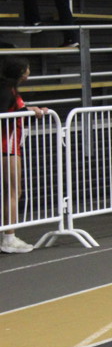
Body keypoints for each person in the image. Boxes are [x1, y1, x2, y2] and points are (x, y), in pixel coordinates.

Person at [0, 57, 48, 253]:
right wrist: (26, 111)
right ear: (20, 71)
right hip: (7, 147)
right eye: (27, 69)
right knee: (13, 191)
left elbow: (15, 114)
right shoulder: (6, 91)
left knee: (10, 192)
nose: (29, 72)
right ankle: (9, 238)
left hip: (10, 146)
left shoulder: (9, 90)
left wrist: (30, 112)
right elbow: (5, 116)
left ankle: (8, 236)